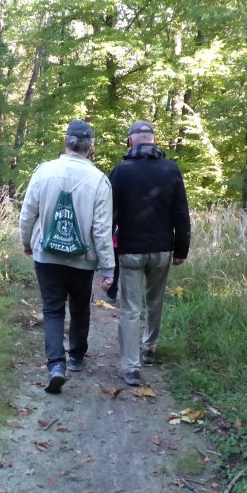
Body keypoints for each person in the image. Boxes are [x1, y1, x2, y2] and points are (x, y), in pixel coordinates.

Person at [19, 120, 115, 394]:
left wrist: (27, 243)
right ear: (90, 146)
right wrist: (107, 267)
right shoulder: (99, 181)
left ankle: (56, 366)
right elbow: (101, 229)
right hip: (82, 261)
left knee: (52, 310)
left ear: (66, 141)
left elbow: (27, 215)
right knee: (80, 305)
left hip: (46, 256)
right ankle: (76, 357)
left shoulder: (43, 172)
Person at [109, 120, 190, 386]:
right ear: (154, 141)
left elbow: (108, 215)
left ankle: (130, 367)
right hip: (162, 250)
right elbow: (181, 213)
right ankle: (149, 348)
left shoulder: (121, 171)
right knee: (155, 301)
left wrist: (106, 252)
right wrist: (181, 249)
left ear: (130, 141)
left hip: (130, 250)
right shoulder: (171, 169)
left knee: (131, 308)